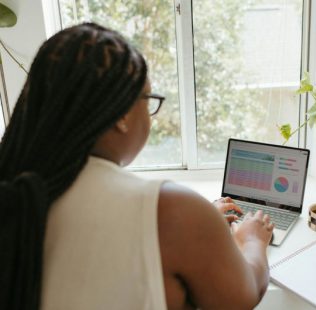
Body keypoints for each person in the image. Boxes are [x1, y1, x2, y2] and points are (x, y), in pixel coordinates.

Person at [0, 22, 274, 310]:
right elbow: (242, 296)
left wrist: (204, 227)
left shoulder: (15, 188)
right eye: (149, 99)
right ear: (121, 115)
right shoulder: (175, 212)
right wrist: (252, 240)